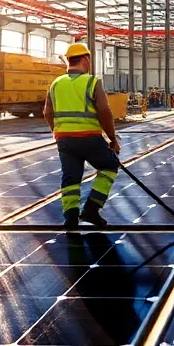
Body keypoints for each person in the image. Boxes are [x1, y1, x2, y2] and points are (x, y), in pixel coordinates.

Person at [43, 42, 121, 229]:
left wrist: (57, 132)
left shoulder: (56, 84)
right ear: (85, 60)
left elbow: (47, 113)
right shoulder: (92, 82)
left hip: (65, 140)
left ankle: (70, 219)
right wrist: (112, 138)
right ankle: (91, 210)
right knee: (110, 165)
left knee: (71, 177)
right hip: (89, 138)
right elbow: (104, 111)